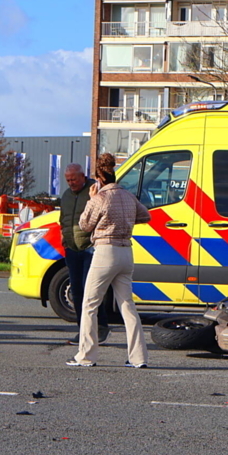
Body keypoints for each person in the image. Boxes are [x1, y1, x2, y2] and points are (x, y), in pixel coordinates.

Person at [67, 153, 151, 368]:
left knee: (89, 304)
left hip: (105, 251)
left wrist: (92, 199)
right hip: (126, 251)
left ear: (98, 177)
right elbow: (145, 216)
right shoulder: (127, 195)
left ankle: (86, 356)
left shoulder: (100, 197)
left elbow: (85, 224)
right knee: (127, 306)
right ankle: (138, 358)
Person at [60, 163, 111, 346]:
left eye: (73, 179)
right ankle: (83, 331)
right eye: (68, 180)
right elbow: (63, 219)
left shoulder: (94, 191)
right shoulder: (66, 195)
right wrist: (63, 236)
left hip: (90, 247)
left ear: (83, 176)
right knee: (77, 292)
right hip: (72, 248)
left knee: (91, 291)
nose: (71, 183)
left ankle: (101, 328)